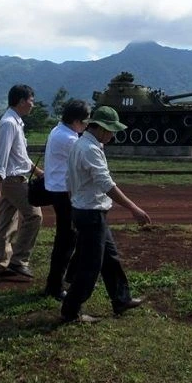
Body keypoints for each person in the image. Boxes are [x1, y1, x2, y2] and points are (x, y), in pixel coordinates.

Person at [61, 106, 151, 323]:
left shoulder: (81, 144)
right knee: (90, 266)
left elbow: (69, 180)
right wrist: (134, 208)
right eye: (111, 131)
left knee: (110, 259)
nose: (113, 135)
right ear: (100, 128)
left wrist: (74, 206)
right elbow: (106, 184)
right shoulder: (90, 149)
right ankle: (70, 311)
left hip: (88, 211)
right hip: (91, 214)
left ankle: (121, 299)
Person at [0, 84, 43, 279]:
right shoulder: (9, 124)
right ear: (21, 101)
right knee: (34, 216)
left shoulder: (16, 122)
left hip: (11, 179)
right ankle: (19, 260)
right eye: (31, 101)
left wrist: (38, 172)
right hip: (12, 180)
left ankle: (1, 265)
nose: (33, 105)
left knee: (6, 222)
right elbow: (1, 159)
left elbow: (20, 157)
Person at [42, 99, 91, 300]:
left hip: (58, 189)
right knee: (67, 240)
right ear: (76, 121)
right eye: (85, 121)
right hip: (65, 193)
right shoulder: (70, 139)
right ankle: (55, 285)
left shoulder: (58, 130)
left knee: (68, 238)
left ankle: (61, 279)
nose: (87, 125)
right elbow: (86, 161)